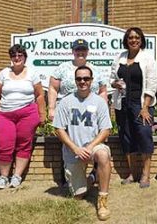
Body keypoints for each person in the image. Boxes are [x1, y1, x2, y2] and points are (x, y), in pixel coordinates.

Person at [53, 65, 112, 221]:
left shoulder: (100, 102)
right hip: (74, 151)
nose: (83, 81)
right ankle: (93, 178)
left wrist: (89, 147)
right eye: (79, 79)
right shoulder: (66, 102)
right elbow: (59, 129)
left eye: (86, 78)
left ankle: (103, 200)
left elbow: (105, 130)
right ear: (75, 81)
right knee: (79, 195)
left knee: (103, 154)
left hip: (93, 147)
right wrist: (75, 149)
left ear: (91, 80)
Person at [48, 38, 108, 184]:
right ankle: (68, 178)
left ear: (87, 51)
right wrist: (51, 108)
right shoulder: (62, 68)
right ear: (73, 51)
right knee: (68, 143)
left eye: (83, 49)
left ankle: (94, 174)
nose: (80, 52)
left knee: (95, 142)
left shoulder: (96, 69)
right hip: (68, 112)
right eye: (77, 49)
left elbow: (103, 91)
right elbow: (53, 88)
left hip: (90, 113)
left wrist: (103, 110)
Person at [0, 44, 46, 189]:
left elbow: (40, 95)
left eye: (20, 55)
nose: (17, 58)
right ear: (11, 58)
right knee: (4, 144)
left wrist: (42, 115)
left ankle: (17, 176)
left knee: (24, 144)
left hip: (27, 114)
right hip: (5, 114)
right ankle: (3, 177)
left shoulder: (32, 74)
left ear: (25, 58)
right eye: (14, 55)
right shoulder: (3, 73)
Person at [110, 27, 157, 188]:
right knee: (126, 137)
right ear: (126, 40)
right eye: (130, 37)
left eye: (137, 37)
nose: (134, 40)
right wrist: (114, 83)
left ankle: (145, 174)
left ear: (141, 40)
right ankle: (132, 173)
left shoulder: (147, 58)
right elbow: (112, 78)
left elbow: (152, 85)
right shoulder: (119, 57)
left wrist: (145, 107)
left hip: (141, 104)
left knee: (144, 135)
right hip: (122, 104)